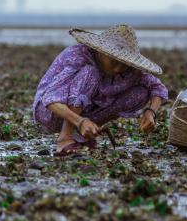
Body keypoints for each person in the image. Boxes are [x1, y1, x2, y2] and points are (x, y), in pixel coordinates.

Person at [32, 24, 168, 156]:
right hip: (49, 113)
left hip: (85, 116)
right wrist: (80, 121)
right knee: (90, 73)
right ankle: (65, 138)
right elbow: (49, 99)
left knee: (141, 92)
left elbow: (158, 88)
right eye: (114, 61)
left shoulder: (131, 71)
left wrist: (150, 113)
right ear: (100, 51)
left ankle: (85, 134)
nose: (117, 69)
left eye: (124, 64)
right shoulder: (78, 55)